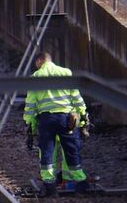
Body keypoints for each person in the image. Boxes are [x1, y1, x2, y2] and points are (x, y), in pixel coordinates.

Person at [24, 49, 91, 194]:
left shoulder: (35, 76)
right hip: (65, 119)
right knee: (71, 149)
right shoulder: (65, 73)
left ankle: (49, 184)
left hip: (46, 120)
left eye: (37, 64)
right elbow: (76, 97)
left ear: (40, 61)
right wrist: (83, 116)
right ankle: (80, 181)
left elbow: (30, 105)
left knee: (47, 150)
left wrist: (30, 125)